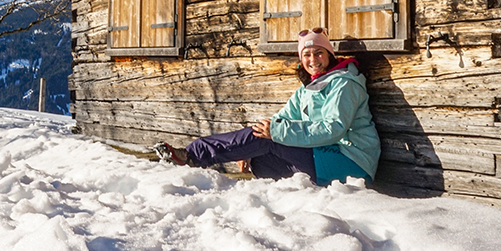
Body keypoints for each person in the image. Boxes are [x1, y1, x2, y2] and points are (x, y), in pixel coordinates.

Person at [154, 27, 380, 186]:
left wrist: (273, 134)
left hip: (350, 162)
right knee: (260, 159)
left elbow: (333, 129)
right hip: (324, 158)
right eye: (307, 55)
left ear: (330, 55)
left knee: (265, 139)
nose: (313, 60)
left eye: (319, 53)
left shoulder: (345, 84)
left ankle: (191, 155)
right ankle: (295, 199)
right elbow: (278, 121)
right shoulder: (307, 90)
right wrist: (248, 150)